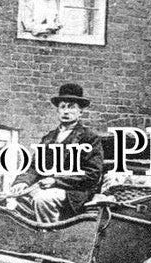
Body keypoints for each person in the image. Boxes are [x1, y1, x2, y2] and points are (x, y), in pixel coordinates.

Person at [10, 83, 105, 223]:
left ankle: (49, 237)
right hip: (46, 188)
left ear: (81, 112)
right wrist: (22, 182)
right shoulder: (49, 138)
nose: (66, 111)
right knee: (12, 200)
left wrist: (56, 180)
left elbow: (92, 173)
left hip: (74, 192)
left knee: (43, 200)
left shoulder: (89, 138)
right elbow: (35, 166)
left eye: (71, 106)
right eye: (62, 107)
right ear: (58, 111)